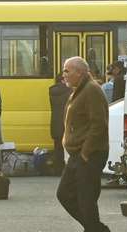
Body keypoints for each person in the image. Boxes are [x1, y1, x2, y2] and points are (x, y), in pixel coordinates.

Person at [56, 56, 111, 232]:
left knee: (86, 198)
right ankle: (96, 228)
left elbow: (99, 124)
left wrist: (85, 152)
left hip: (89, 153)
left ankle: (95, 229)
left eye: (67, 70)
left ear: (79, 73)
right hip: (78, 153)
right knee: (65, 194)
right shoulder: (79, 89)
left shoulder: (91, 89)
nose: (63, 74)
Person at [49, 74, 70, 176]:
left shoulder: (52, 91)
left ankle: (57, 169)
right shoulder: (69, 91)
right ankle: (66, 170)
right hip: (66, 122)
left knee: (57, 147)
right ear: (63, 80)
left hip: (56, 122)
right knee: (67, 147)